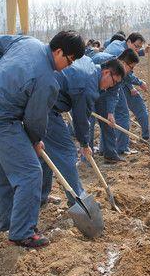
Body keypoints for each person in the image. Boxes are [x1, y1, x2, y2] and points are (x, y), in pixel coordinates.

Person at [0, 31, 85, 248]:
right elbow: (34, 119)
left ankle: (8, 222)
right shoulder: (47, 80)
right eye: (69, 60)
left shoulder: (27, 42)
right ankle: (22, 232)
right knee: (30, 172)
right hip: (1, 120)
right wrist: (35, 141)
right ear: (59, 51)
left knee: (2, 173)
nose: (69, 66)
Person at [41, 57, 124, 205]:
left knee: (46, 151)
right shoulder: (89, 86)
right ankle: (79, 200)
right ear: (106, 73)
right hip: (44, 106)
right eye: (114, 82)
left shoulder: (90, 65)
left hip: (45, 100)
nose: (111, 87)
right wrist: (85, 144)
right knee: (66, 151)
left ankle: (41, 196)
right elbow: (81, 119)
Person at [91, 48, 150, 160]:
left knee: (108, 120)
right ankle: (88, 156)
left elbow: (113, 94)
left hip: (104, 91)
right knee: (89, 121)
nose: (132, 70)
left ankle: (109, 153)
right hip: (90, 88)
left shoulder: (120, 74)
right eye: (131, 67)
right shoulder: (102, 63)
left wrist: (110, 112)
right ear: (124, 63)